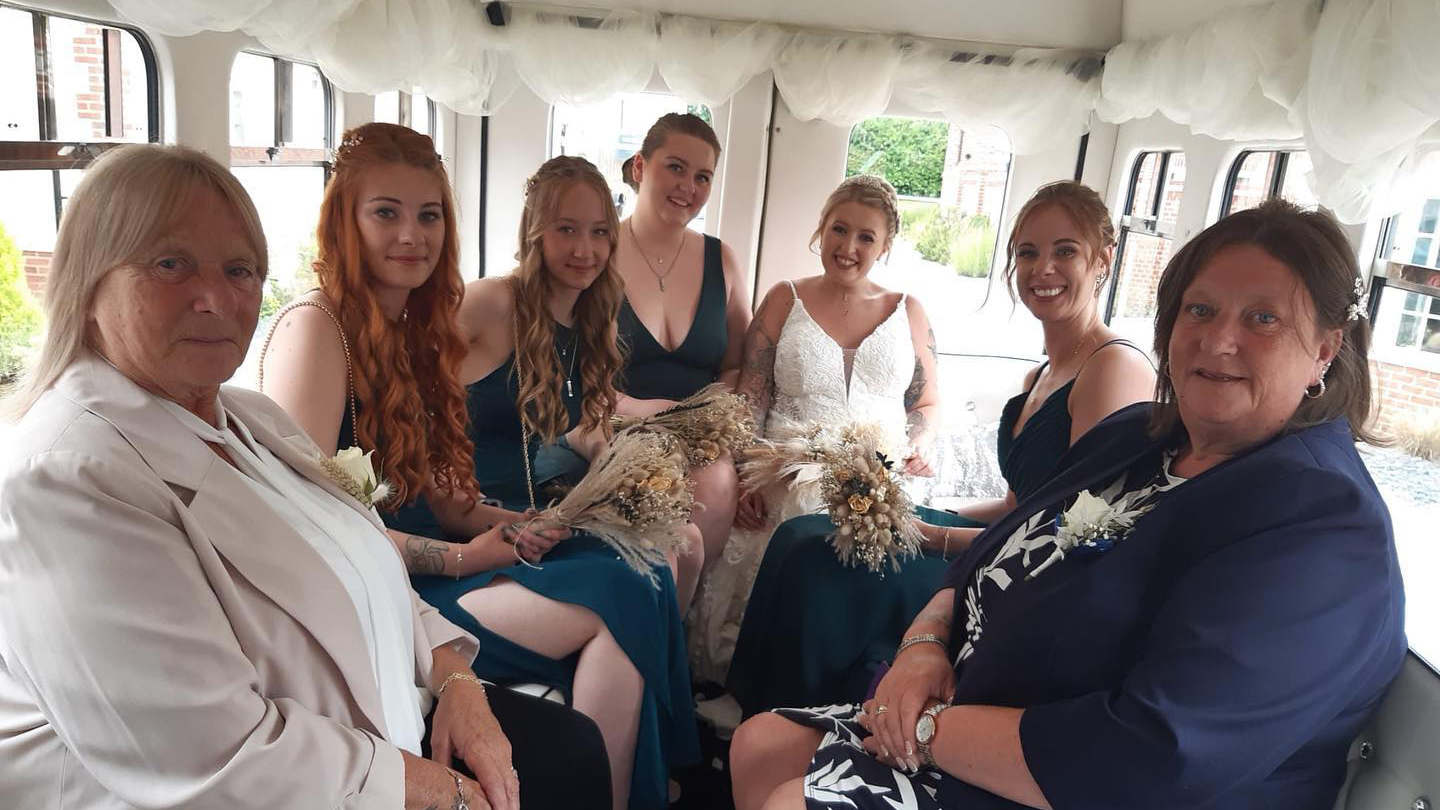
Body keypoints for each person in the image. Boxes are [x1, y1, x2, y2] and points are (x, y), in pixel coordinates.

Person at [730, 199, 1406, 810]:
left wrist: (930, 729)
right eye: (1200, 310)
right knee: (758, 743)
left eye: (1263, 318)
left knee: (790, 800)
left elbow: (1150, 754)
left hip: (1075, 778)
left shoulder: (1321, 526)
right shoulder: (1138, 440)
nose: (1218, 339)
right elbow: (990, 555)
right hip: (975, 710)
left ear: (1325, 348)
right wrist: (922, 648)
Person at [0, 144, 609, 810]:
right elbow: (220, 760)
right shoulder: (67, 477)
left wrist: (460, 683)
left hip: (389, 717)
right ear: (88, 283)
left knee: (577, 750)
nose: (215, 297)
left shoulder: (252, 421)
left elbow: (368, 553)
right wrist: (448, 796)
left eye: (239, 269)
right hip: (290, 783)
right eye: (170, 263)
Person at [724, 181, 1157, 716]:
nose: (1043, 268)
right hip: (1000, 543)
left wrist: (932, 533)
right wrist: (932, 510)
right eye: (1028, 252)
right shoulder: (1038, 376)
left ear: (1103, 261)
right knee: (800, 535)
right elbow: (1017, 503)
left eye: (1064, 251)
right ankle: (754, 706)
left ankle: (794, 715)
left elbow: (1074, 534)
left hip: (1025, 583)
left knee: (821, 567)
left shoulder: (1113, 368)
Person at [438, 155, 700, 810]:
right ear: (535, 231)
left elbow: (588, 423)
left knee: (664, 556)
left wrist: (632, 474)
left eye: (599, 232)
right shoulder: (490, 301)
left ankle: (623, 777)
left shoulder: (591, 316)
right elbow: (415, 399)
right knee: (632, 585)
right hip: (466, 536)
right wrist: (489, 517)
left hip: (535, 525)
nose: (584, 250)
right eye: (565, 230)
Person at [688, 175, 966, 695]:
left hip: (882, 482)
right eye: (839, 229)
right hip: (784, 476)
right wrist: (748, 473)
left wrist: (920, 443)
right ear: (821, 230)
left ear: (885, 245)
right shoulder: (782, 299)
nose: (849, 246)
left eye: (866, 236)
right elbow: (751, 398)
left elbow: (925, 403)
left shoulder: (909, 309)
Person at [261, 122, 567, 580]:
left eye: (428, 215)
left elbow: (442, 506)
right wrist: (466, 558)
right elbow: (314, 517)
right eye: (386, 213)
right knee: (594, 615)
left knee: (615, 575)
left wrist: (522, 526)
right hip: (368, 581)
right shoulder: (315, 327)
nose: (412, 235)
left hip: (421, 554)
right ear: (346, 221)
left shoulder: (414, 329)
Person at [614, 112, 751, 576]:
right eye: (675, 167)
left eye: (702, 176)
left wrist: (713, 413)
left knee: (714, 483)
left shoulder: (722, 259)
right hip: (615, 424)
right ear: (639, 168)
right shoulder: (596, 251)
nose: (687, 186)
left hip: (703, 434)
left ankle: (681, 626)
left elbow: (739, 362)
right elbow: (574, 372)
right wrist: (646, 413)